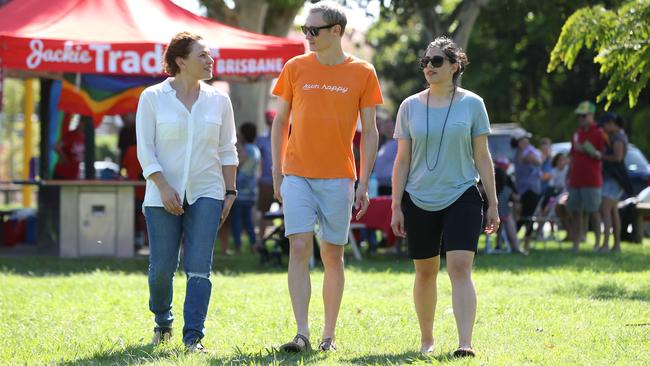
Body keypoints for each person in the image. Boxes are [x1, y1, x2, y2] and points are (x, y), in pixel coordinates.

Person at [271, 1, 383, 352]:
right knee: (299, 246)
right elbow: (280, 122)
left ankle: (328, 336)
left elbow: (372, 131)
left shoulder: (363, 71)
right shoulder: (295, 67)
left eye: (313, 31)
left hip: (338, 177)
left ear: (336, 32)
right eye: (305, 29)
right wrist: (277, 172)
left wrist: (364, 181)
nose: (307, 36)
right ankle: (302, 332)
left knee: (333, 254)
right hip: (298, 174)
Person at [390, 36, 498, 358]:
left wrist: (492, 202)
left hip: (462, 193)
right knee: (425, 271)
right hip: (418, 196)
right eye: (425, 61)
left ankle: (465, 343)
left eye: (436, 61)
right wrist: (396, 204)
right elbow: (402, 160)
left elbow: (482, 155)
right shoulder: (408, 106)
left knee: (460, 268)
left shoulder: (472, 104)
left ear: (455, 66)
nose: (429, 67)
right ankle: (426, 340)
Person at [136, 31, 238, 353]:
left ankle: (193, 337)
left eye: (209, 56)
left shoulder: (219, 100)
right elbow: (145, 150)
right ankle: (163, 321)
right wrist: (164, 187)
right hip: (160, 193)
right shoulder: (152, 97)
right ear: (180, 61)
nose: (210, 61)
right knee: (162, 268)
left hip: (208, 190)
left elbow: (228, 150)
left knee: (199, 266)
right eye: (202, 56)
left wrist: (230, 192)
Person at [567, 101, 605, 252]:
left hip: (592, 181)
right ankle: (576, 244)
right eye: (579, 116)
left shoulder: (599, 132)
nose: (580, 119)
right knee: (575, 212)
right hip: (576, 180)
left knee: (594, 212)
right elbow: (572, 156)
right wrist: (568, 176)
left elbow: (603, 155)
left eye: (583, 116)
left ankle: (597, 244)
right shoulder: (576, 134)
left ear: (591, 115)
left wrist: (588, 150)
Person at [598, 112, 631, 252]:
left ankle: (607, 244)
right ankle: (615, 245)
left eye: (605, 124)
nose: (604, 127)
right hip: (614, 178)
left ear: (612, 123)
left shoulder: (618, 137)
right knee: (612, 211)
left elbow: (618, 158)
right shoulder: (615, 136)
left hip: (614, 178)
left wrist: (601, 156)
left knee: (606, 210)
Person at [231, 122, 261, 253]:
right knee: (248, 220)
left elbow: (238, 162)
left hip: (240, 189)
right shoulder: (256, 149)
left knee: (236, 219)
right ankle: (253, 243)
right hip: (251, 190)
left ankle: (238, 245)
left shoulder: (246, 149)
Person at [512, 133, 542, 250]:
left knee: (526, 216)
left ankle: (514, 240)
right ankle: (519, 242)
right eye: (524, 141)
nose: (527, 143)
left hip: (527, 188)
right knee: (528, 217)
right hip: (529, 189)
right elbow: (539, 162)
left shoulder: (522, 153)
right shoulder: (524, 154)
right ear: (519, 143)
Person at [254, 109, 277, 250]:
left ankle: (284, 243)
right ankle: (261, 242)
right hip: (267, 181)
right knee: (264, 212)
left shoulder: (287, 137)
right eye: (269, 121)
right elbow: (257, 160)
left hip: (284, 180)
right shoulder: (261, 140)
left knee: (288, 214)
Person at [374, 117, 398, 196]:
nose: (388, 130)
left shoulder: (398, 143)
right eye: (386, 127)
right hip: (381, 185)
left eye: (390, 127)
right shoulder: (383, 144)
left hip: (391, 185)